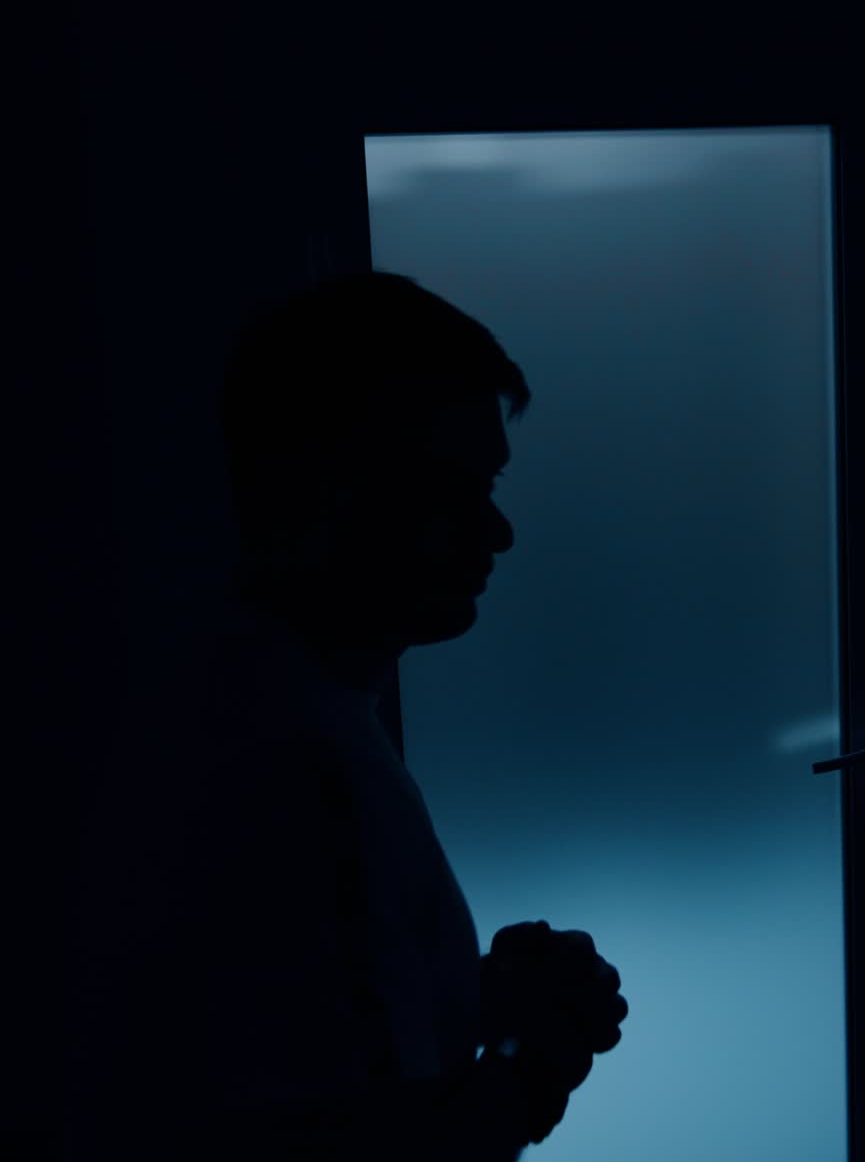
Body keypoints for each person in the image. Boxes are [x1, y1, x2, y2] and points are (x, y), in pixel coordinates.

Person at [64, 271, 627, 1160]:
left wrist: (474, 997)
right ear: (323, 487)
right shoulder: (295, 772)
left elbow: (292, 1050)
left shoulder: (260, 707)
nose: (498, 532)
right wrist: (539, 1057)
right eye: (455, 490)